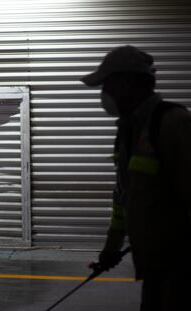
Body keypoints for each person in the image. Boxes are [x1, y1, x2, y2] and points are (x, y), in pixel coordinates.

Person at [81, 45, 191, 310]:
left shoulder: (173, 123)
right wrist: (111, 249)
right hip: (154, 268)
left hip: (179, 269)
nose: (105, 94)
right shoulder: (127, 132)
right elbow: (123, 200)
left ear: (129, 82)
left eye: (108, 84)